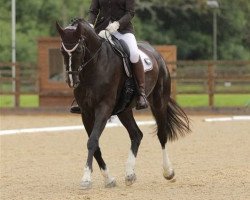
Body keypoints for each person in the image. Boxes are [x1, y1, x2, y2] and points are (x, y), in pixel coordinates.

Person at [70, 0, 148, 113]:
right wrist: (90, 25)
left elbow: (130, 13)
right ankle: (82, 97)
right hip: (101, 30)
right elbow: (93, 11)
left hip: (123, 30)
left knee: (134, 54)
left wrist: (117, 24)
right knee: (85, 53)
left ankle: (141, 93)